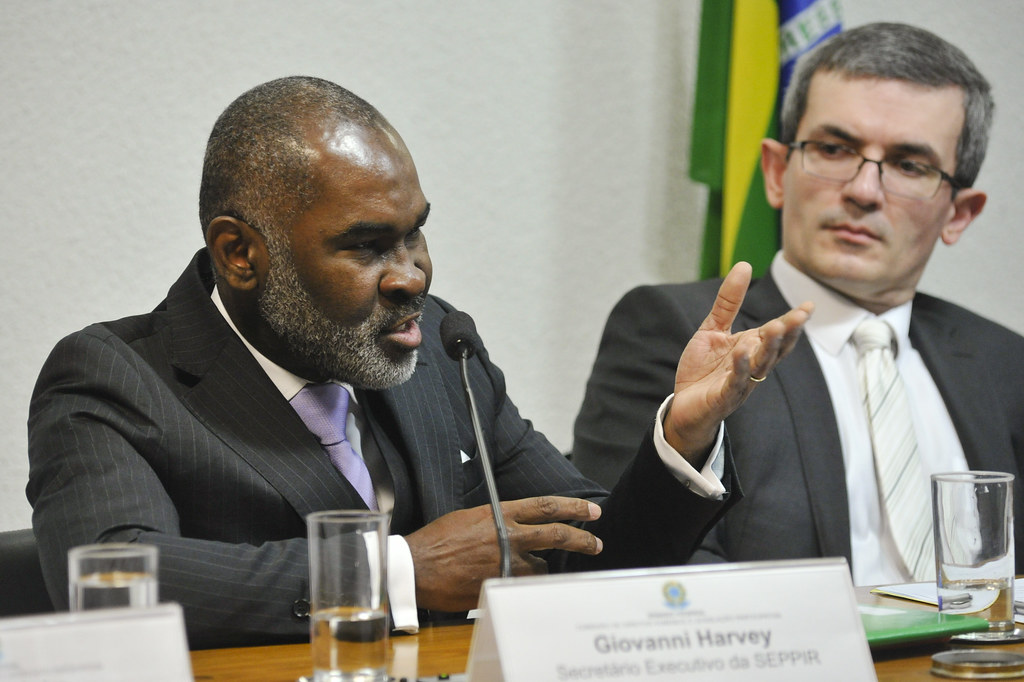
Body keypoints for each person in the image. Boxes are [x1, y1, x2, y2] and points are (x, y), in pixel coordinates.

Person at [26, 76, 810, 649]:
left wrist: (680, 436)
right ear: (240, 253)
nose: (413, 276)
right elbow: (114, 580)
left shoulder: (438, 347)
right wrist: (398, 569)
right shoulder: (116, 377)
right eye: (367, 245)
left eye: (415, 234)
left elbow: (594, 555)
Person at [572, 22, 1024, 587]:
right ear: (776, 172)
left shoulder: (1006, 365)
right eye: (834, 149)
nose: (862, 191)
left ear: (959, 213)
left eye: (910, 165)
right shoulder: (674, 332)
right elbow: (627, 571)